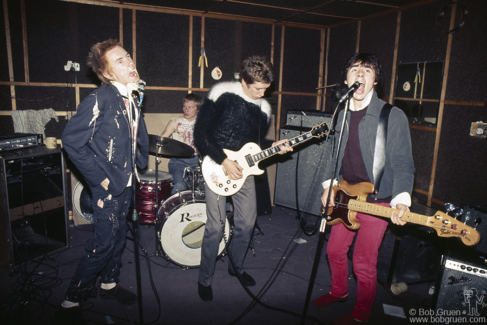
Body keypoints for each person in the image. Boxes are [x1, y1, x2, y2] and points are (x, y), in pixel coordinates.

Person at [311, 52, 415, 325]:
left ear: (375, 80)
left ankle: (361, 316)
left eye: (367, 71)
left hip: (377, 201)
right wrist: (329, 187)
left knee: (363, 263)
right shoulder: (340, 113)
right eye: (355, 69)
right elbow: (333, 154)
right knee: (333, 251)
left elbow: (404, 163)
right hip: (346, 195)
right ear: (346, 79)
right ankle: (339, 291)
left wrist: (402, 200)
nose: (360, 75)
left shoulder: (392, 115)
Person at [57, 39, 149, 323]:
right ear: (107, 73)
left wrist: (138, 163)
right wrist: (99, 179)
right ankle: (72, 299)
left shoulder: (131, 96)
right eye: (120, 61)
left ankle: (109, 284)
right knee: (103, 242)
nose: (130, 63)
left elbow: (133, 137)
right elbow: (71, 141)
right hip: (107, 186)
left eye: (129, 57)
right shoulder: (100, 98)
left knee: (119, 236)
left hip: (126, 181)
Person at [193, 55, 292, 302]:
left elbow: (254, 145)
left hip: (244, 169)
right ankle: (204, 278)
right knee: (215, 226)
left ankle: (236, 266)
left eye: (265, 89)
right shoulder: (222, 94)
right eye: (257, 88)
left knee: (247, 223)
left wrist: (274, 146)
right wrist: (223, 160)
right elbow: (200, 134)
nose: (262, 94)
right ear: (244, 81)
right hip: (216, 164)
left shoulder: (263, 108)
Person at [160, 93, 203, 194]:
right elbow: (162, 139)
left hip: (198, 161)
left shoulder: (203, 122)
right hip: (178, 162)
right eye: (184, 106)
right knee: (179, 186)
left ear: (198, 109)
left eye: (190, 107)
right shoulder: (175, 122)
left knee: (206, 186)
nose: (186, 110)